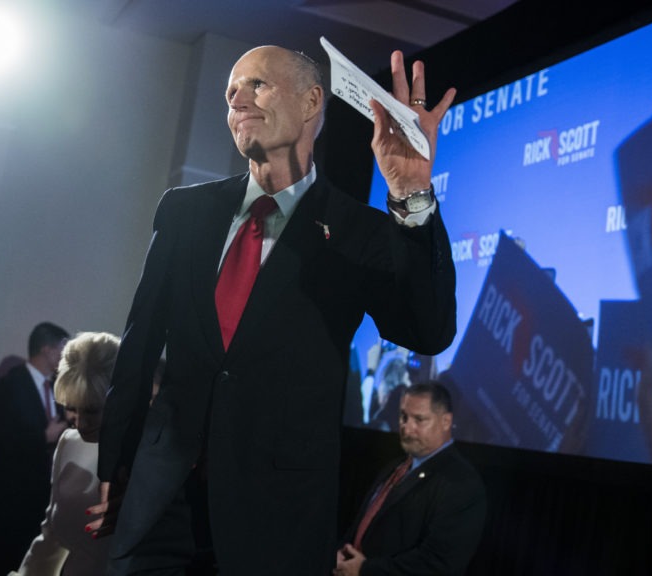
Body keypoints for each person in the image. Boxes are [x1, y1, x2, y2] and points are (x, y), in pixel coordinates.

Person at [88, 46, 457, 575]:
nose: (237, 96)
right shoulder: (185, 212)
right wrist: (117, 467)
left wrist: (412, 192)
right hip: (157, 508)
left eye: (256, 84)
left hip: (276, 525)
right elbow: (140, 343)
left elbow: (429, 330)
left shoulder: (358, 230)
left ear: (311, 102)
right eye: (230, 91)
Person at [336, 382, 486, 576]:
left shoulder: (462, 483)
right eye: (403, 417)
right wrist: (341, 553)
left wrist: (365, 570)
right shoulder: (395, 466)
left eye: (419, 420)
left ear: (446, 421)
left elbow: (438, 564)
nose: (407, 428)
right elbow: (363, 526)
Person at [12, 330, 120, 576]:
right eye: (72, 409)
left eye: (91, 411)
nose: (80, 423)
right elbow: (51, 537)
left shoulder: (151, 453)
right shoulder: (70, 443)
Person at [0, 321, 69, 575]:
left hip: (36, 499)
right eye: (63, 349)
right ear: (47, 350)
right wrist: (41, 437)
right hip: (7, 500)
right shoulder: (9, 386)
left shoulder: (56, 390)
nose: (66, 357)